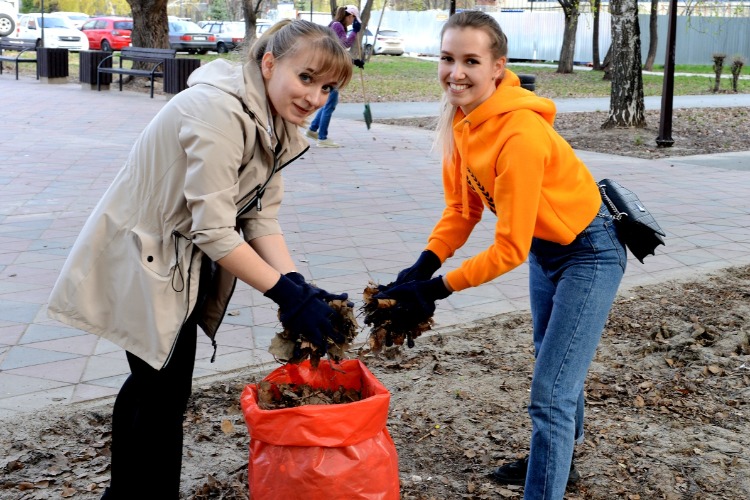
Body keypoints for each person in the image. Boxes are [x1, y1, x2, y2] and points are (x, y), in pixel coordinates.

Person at [47, 19, 354, 499]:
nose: (314, 97)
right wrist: (286, 294)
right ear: (269, 63)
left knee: (152, 384)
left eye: (328, 87)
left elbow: (259, 219)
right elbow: (213, 228)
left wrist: (298, 286)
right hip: (144, 262)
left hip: (175, 265)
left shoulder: (271, 119)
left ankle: (123, 493)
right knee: (164, 395)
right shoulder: (217, 111)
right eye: (307, 77)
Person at [376, 11, 627, 500]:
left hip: (590, 253)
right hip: (545, 250)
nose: (456, 72)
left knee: (551, 393)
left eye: (471, 60)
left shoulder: (520, 135)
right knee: (550, 362)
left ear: (498, 66)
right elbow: (460, 209)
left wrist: (435, 290)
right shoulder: (462, 121)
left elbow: (508, 248)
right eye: (448, 59)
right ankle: (563, 460)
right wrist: (424, 264)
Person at [305, 5, 363, 148]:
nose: (352, 23)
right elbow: (345, 44)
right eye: (353, 20)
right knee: (330, 103)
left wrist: (354, 61)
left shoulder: (336, 26)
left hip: (329, 67)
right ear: (349, 16)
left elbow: (338, 50)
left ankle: (313, 130)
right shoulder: (337, 26)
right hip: (330, 69)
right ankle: (322, 138)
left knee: (329, 102)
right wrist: (355, 31)